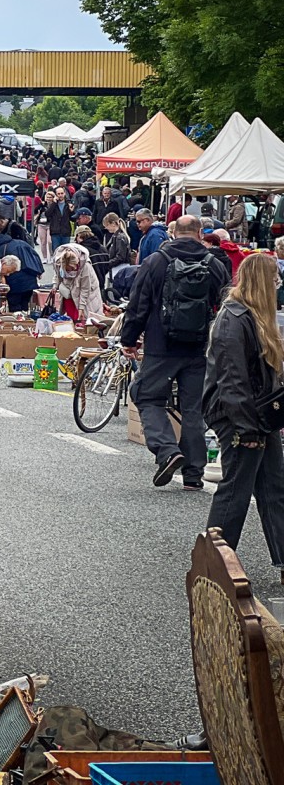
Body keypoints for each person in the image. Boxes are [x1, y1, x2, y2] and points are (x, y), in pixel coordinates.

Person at [120, 215, 230, 489]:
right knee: (193, 408)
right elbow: (227, 304)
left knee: (146, 395)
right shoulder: (214, 264)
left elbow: (139, 304)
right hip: (198, 348)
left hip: (161, 345)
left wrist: (129, 339)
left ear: (173, 233)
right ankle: (193, 475)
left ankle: (167, 451)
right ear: (199, 233)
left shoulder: (156, 262)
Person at [204, 252, 284, 562]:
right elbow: (232, 380)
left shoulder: (249, 316)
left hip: (257, 414)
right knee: (237, 488)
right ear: (263, 284)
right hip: (238, 415)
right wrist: (246, 427)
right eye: (274, 281)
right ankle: (215, 561)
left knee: (274, 486)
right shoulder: (233, 319)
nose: (277, 286)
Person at [52, 241, 106, 323]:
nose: (70, 271)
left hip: (87, 293)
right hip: (69, 293)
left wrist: (81, 307)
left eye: (72, 268)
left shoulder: (85, 266)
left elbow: (85, 289)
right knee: (71, 318)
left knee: (85, 317)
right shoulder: (59, 262)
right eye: (67, 269)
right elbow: (57, 275)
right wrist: (55, 286)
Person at [45, 189, 74, 255]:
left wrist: (72, 211)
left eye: (62, 193)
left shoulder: (68, 204)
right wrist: (54, 203)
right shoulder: (53, 204)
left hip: (65, 231)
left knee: (66, 252)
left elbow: (73, 219)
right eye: (58, 194)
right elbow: (47, 214)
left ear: (64, 194)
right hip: (55, 231)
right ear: (56, 195)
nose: (60, 195)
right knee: (56, 251)